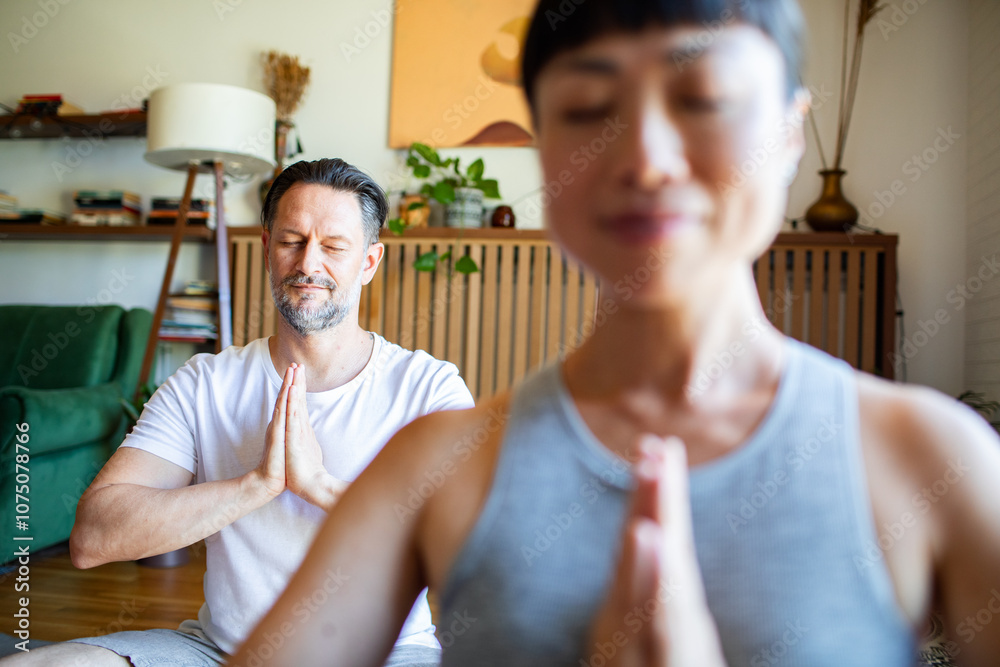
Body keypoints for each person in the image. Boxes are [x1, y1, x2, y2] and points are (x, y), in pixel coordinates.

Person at [233, 0, 1000, 665]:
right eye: (589, 107)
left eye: (704, 98)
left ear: (791, 133)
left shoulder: (934, 458)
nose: (645, 156)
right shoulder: (431, 469)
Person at [0, 158, 474, 667]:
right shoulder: (205, 383)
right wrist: (255, 486)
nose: (309, 263)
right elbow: (92, 538)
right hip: (220, 653)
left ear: (369, 262)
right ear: (268, 250)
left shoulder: (428, 388)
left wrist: (317, 485)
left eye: (334, 246)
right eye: (292, 240)